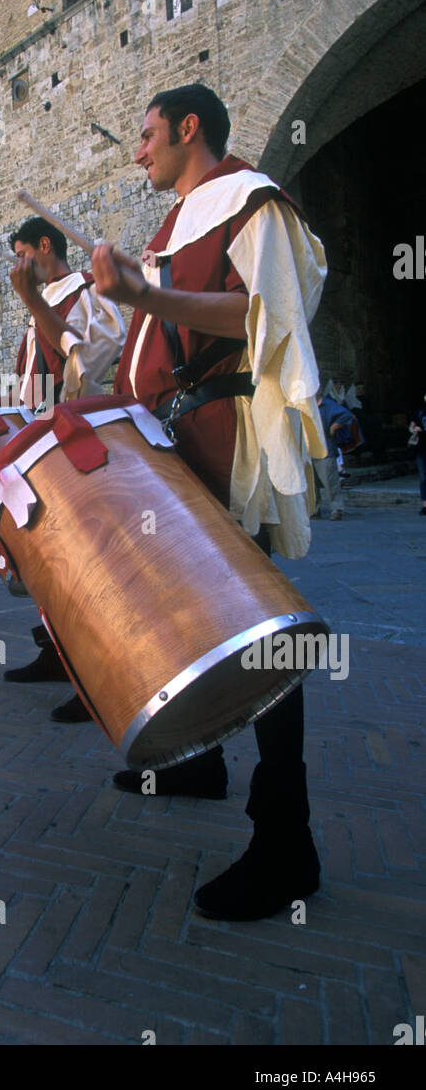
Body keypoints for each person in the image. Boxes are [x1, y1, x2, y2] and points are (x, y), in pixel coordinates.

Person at [88, 82, 327, 922]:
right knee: (198, 614)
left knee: (257, 624)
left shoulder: (249, 199)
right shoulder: (174, 224)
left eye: (145, 133)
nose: (136, 149)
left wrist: (146, 296)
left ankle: (285, 838)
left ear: (189, 128)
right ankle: (199, 763)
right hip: (176, 439)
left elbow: (267, 315)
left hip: (230, 432)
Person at [4, 215, 126, 687]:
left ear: (45, 244)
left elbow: (86, 362)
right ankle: (58, 652)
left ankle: (93, 669)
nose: (18, 264)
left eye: (22, 254)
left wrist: (34, 303)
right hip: (39, 439)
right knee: (49, 556)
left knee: (86, 560)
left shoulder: (87, 291)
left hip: (74, 438)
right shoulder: (41, 303)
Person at [315, 390, 355, 520]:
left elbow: (346, 415)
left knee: (330, 481)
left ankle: (336, 509)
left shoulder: (328, 405)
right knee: (311, 483)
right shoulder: (304, 405)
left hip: (325, 448)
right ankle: (314, 509)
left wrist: (334, 427)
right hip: (308, 449)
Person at [409, 396, 426, 516]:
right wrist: (414, 429)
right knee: (424, 477)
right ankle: (425, 505)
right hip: (422, 449)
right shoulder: (420, 413)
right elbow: (411, 426)